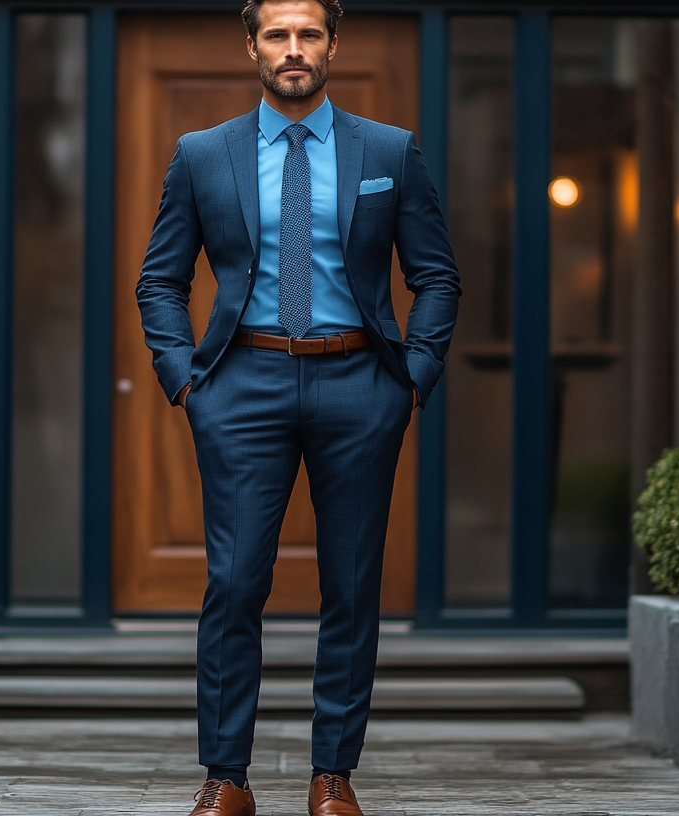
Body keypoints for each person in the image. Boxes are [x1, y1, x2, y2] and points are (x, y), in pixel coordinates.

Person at [136, 0, 460, 813]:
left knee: (351, 586)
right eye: (276, 35)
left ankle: (332, 776)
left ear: (332, 44)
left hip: (361, 385)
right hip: (242, 384)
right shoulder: (201, 154)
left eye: (308, 34)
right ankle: (226, 778)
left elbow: (437, 275)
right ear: (250, 46)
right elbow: (160, 281)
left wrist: (412, 376)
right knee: (236, 583)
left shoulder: (388, 150)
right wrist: (186, 380)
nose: (293, 50)